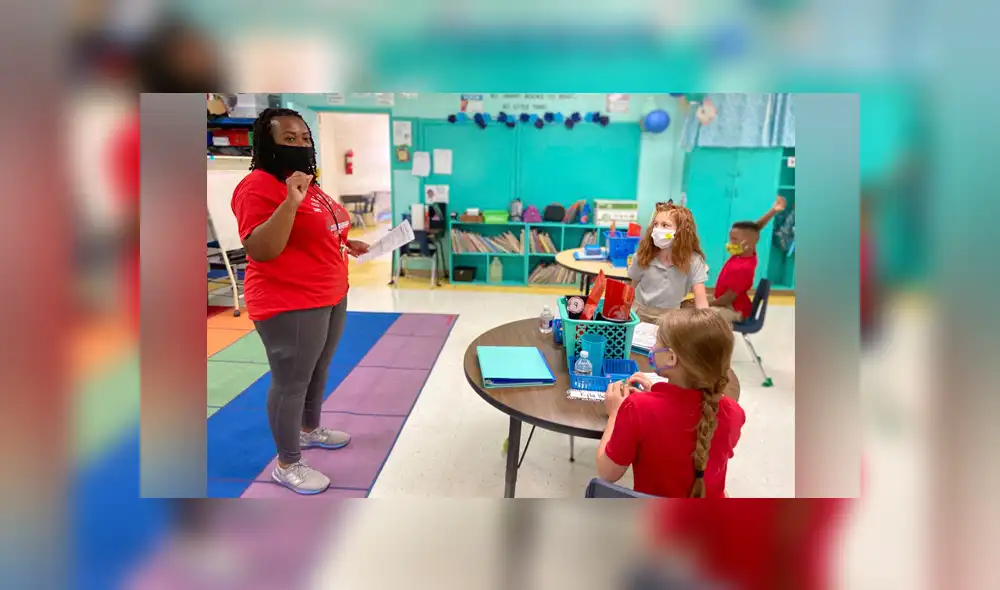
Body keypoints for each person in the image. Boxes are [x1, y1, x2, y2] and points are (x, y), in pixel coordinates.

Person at [231, 107, 369, 495]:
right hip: (289, 301)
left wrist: (344, 242)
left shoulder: (309, 183)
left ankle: (309, 430)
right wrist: (290, 202)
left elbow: (317, 228)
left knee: (319, 369)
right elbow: (262, 249)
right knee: (291, 381)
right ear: (267, 144)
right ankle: (287, 463)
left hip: (329, 291)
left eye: (304, 138)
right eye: (288, 138)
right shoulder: (257, 186)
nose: (299, 145)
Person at [596, 308, 746, 497]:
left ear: (671, 358)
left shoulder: (637, 408)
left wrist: (615, 413)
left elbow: (606, 473)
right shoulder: (734, 412)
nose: (652, 349)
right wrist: (658, 394)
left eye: (656, 342)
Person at [707, 196, 787, 322]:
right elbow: (754, 229)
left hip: (734, 309)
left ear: (749, 242)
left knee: (696, 317)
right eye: (730, 238)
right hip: (726, 303)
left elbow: (728, 299)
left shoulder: (743, 267)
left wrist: (706, 304)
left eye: (734, 239)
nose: (730, 242)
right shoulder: (743, 254)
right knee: (689, 305)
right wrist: (773, 211)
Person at [627, 203, 710, 323]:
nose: (658, 229)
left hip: (671, 318)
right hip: (640, 314)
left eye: (665, 225)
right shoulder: (642, 256)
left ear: (681, 231)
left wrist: (706, 324)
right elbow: (631, 289)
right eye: (655, 224)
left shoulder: (693, 261)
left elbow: (701, 302)